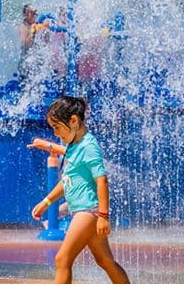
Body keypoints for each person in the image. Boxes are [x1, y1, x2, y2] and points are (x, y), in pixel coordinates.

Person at [30, 96, 130, 284]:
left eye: (57, 127)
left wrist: (103, 216)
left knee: (62, 259)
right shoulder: (73, 145)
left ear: (74, 121)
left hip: (89, 212)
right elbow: (67, 181)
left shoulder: (89, 146)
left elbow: (102, 181)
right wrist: (46, 201)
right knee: (105, 261)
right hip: (85, 211)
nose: (56, 133)